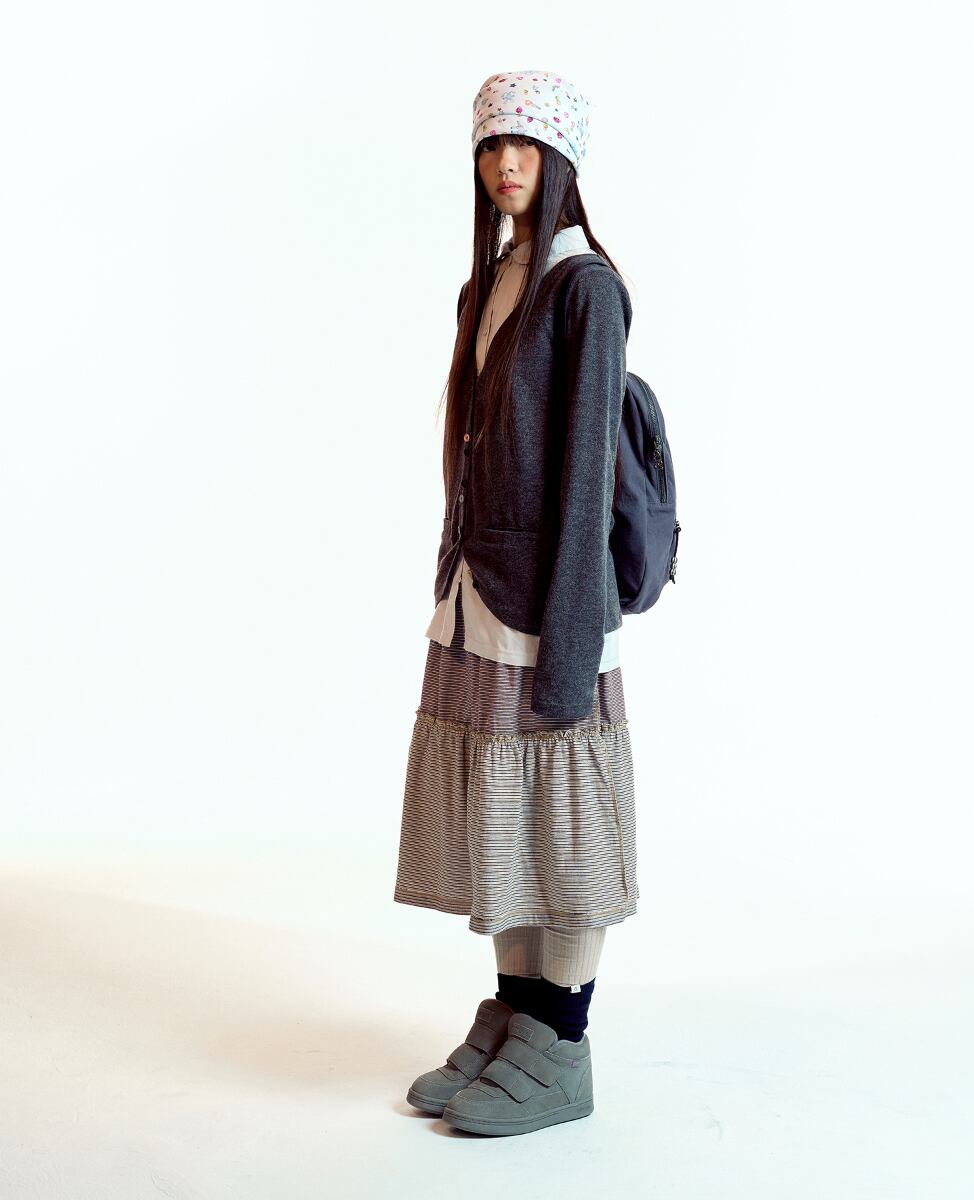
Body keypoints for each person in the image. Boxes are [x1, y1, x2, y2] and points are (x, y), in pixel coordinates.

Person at [393, 69, 639, 1137]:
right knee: (506, 813)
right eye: (493, 145)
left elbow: (587, 477)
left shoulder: (584, 288)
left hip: (549, 605)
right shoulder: (487, 283)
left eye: (526, 145)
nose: (505, 163)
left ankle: (563, 1044)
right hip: (478, 594)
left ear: (562, 158)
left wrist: (573, 638)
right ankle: (519, 1016)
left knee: (564, 821)